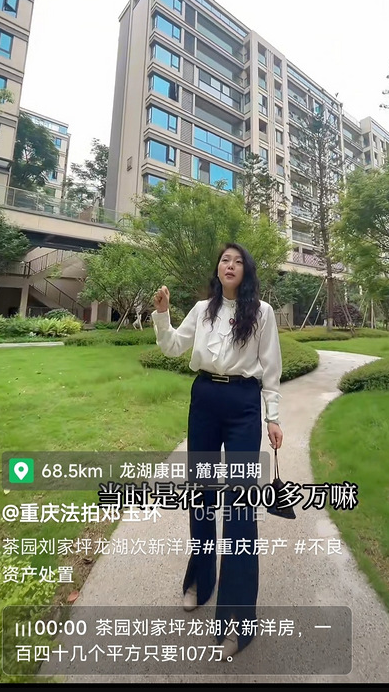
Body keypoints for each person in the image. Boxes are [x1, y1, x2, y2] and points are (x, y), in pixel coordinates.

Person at [151, 243, 283, 661]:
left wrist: (273, 417)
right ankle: (200, 580)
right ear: (218, 268)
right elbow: (172, 347)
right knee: (202, 497)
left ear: (247, 271)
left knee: (240, 508)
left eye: (238, 261)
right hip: (205, 400)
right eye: (225, 259)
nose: (230, 265)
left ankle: (238, 619)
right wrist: (162, 315)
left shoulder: (261, 313)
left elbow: (271, 368)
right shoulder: (202, 309)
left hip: (243, 404)